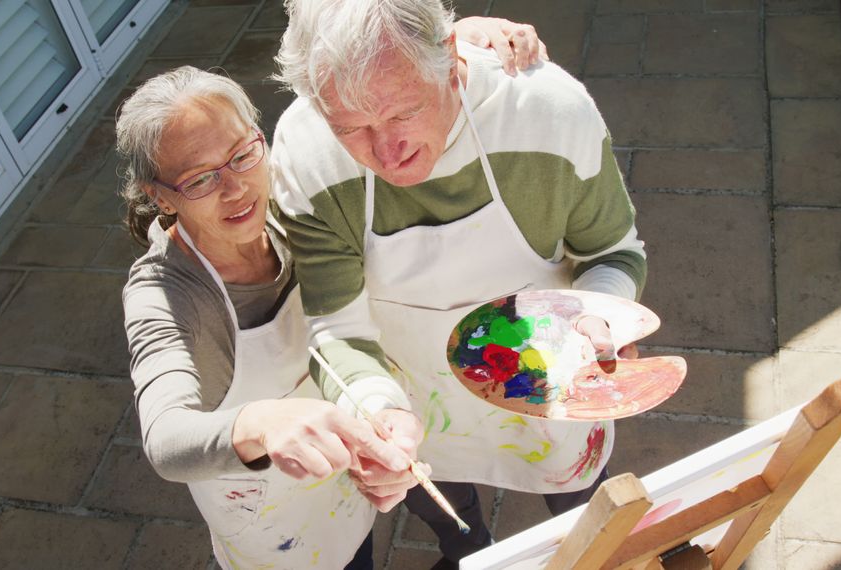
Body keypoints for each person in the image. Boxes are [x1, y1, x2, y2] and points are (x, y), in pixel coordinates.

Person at [117, 19, 549, 570]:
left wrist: (450, 41)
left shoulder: (293, 200)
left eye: (243, 155)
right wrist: (259, 424)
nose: (236, 188)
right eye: (200, 179)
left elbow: (362, 83)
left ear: (261, 138)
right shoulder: (165, 294)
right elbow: (166, 437)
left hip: (363, 434)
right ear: (162, 197)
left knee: (445, 505)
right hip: (281, 523)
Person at [270, 0, 647, 567]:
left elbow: (613, 253)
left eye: (402, 112)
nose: (386, 153)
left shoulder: (548, 111)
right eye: (351, 128)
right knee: (439, 498)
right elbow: (337, 330)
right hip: (410, 399)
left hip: (548, 381)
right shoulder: (305, 150)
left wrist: (602, 315)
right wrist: (382, 415)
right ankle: (468, 547)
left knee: (574, 491)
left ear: (449, 58)